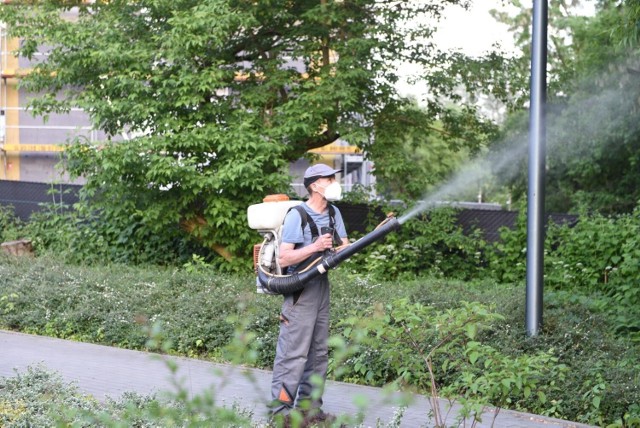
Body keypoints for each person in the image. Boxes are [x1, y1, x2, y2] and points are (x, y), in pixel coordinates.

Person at [269, 163, 349, 424]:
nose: (334, 183)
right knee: (294, 353)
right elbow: (285, 255)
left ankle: (310, 409)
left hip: (322, 288)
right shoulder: (297, 215)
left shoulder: (334, 213)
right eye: (329, 179)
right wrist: (315, 246)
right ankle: (280, 414)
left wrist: (338, 251)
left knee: (318, 352)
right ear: (315, 185)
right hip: (301, 290)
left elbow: (344, 247)